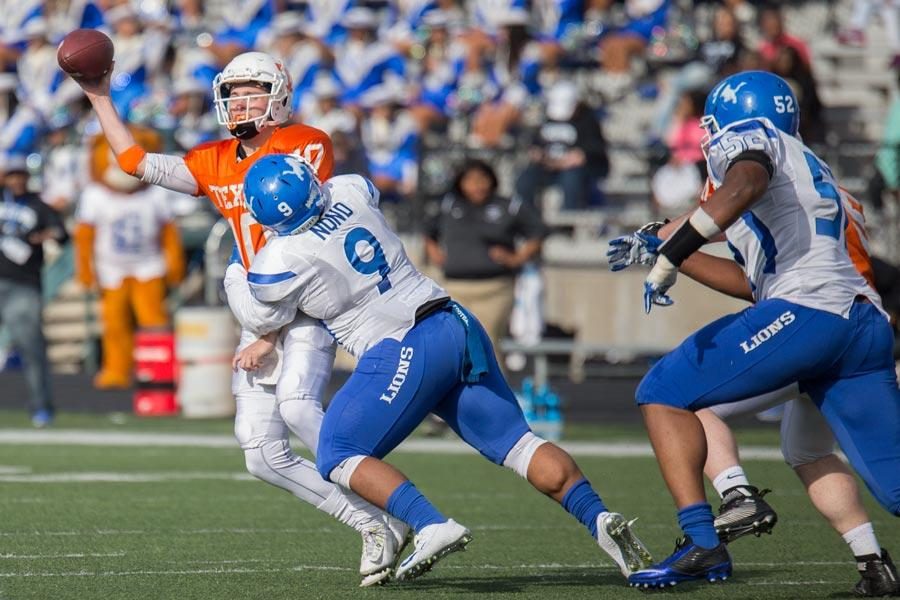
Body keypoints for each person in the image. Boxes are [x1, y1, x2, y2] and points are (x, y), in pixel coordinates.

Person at [230, 153, 653, 583]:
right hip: (454, 323)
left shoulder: (279, 258)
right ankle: (599, 518)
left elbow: (260, 315)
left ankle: (430, 524)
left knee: (337, 452)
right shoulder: (348, 189)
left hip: (398, 345)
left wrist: (233, 265)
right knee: (518, 444)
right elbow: (361, 196)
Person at [72, 51, 407, 586]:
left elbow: (297, 229)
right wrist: (98, 95)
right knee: (261, 454)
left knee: (298, 407)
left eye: (253, 90)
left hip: (302, 304)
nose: (240, 101)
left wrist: (270, 333)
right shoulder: (214, 158)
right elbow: (135, 162)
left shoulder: (304, 142)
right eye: (233, 92)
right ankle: (371, 523)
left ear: (279, 95)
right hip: (260, 308)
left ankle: (401, 503)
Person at [612, 70, 900, 588]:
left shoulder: (753, 143)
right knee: (893, 486)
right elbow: (753, 284)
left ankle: (706, 541)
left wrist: (673, 254)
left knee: (663, 390)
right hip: (859, 324)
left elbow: (745, 183)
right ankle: (872, 564)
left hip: (811, 314)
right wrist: (667, 244)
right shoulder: (810, 169)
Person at [73, 125, 186, 389]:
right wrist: (86, 270)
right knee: (114, 325)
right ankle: (117, 370)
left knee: (155, 323)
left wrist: (174, 264)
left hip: (149, 265)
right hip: (111, 268)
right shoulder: (95, 196)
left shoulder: (156, 193)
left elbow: (169, 233)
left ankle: (159, 371)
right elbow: (84, 237)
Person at [425, 159, 547, 363]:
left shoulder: (508, 206)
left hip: (494, 288)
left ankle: (489, 394)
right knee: (454, 344)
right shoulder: (449, 205)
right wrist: (435, 254)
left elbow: (538, 232)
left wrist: (517, 258)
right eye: (471, 180)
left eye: (482, 180)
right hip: (456, 287)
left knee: (485, 341)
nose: (477, 186)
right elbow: (428, 231)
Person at [0, 154, 68, 427]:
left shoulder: (38, 206)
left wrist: (42, 236)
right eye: (12, 175)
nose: (16, 181)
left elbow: (61, 233)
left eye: (20, 176)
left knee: (31, 348)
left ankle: (41, 407)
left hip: (23, 285)